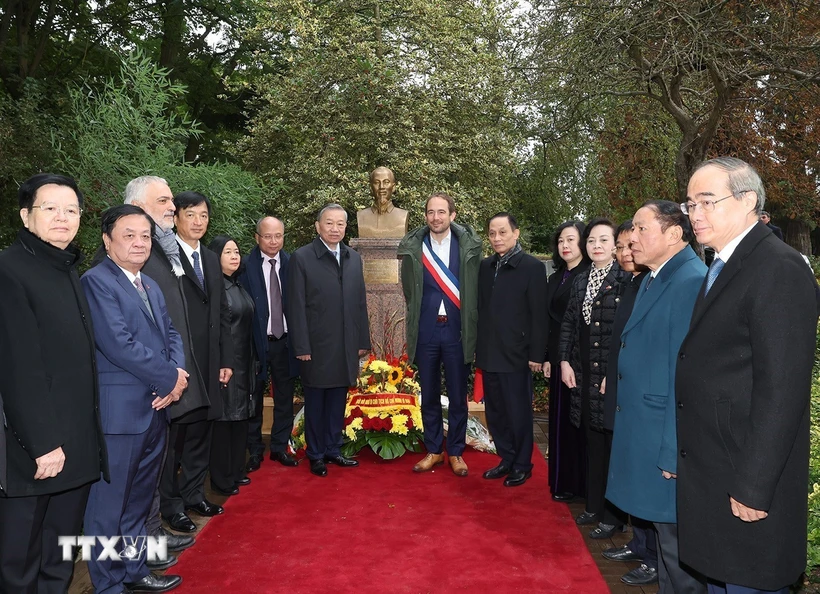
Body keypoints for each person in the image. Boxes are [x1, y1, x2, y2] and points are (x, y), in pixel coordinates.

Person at [676, 157, 819, 594]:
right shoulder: (724, 263)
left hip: (747, 477)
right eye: (689, 204)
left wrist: (755, 486)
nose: (695, 214)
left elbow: (784, 389)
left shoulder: (779, 267)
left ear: (748, 202)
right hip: (717, 468)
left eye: (706, 201)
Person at [0, 174, 106, 594]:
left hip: (75, 447)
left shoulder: (65, 267)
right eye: (50, 208)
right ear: (26, 217)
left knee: (60, 553)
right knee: (20, 564)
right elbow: (17, 367)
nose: (62, 218)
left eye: (71, 209)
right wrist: (42, 442)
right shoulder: (9, 270)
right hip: (35, 454)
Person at [81, 204, 186, 594]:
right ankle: (108, 585)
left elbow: (172, 335)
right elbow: (118, 345)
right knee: (108, 509)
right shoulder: (97, 282)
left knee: (139, 502)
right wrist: (170, 378)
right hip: (120, 417)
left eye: (145, 235)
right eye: (129, 235)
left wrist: (175, 377)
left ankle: (135, 570)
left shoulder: (149, 283)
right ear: (107, 241)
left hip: (156, 410)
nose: (139, 242)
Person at [606, 200, 707, 594]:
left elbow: (685, 378)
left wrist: (673, 450)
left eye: (642, 229)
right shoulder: (654, 277)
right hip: (646, 430)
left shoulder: (688, 281)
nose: (632, 238)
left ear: (674, 234)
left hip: (665, 439)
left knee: (678, 556)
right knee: (667, 554)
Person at [123, 176, 197, 553]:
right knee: (134, 480)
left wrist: (176, 372)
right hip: (140, 390)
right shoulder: (128, 260)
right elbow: (127, 338)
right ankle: (142, 547)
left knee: (152, 472)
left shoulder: (163, 250)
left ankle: (153, 533)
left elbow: (170, 324)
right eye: (164, 201)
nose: (173, 207)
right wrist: (167, 376)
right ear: (137, 206)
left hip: (165, 382)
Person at [159, 191, 233, 530]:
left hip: (209, 361)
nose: (198, 222)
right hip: (179, 364)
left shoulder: (211, 258)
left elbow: (221, 313)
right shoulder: (161, 257)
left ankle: (193, 494)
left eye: (203, 215)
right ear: (176, 218)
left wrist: (224, 359)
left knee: (201, 433)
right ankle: (170, 505)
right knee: (174, 440)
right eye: (191, 215)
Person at [397, 192, 482, 476]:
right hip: (428, 330)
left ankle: (455, 452)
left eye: (442, 212)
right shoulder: (415, 246)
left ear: (452, 215)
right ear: (426, 216)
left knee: (458, 396)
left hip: (458, 330)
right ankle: (433, 450)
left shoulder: (468, 245)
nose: (436, 217)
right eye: (431, 212)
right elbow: (409, 290)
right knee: (429, 395)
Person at [287, 204, 371, 477]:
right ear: (318, 226)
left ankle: (334, 450)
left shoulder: (353, 258)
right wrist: (301, 346)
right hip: (316, 346)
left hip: (346, 344)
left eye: (340, 224)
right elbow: (295, 306)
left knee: (338, 400)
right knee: (316, 403)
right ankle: (316, 454)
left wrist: (362, 340)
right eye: (329, 223)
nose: (335, 229)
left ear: (347, 227)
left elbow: (360, 303)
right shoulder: (302, 258)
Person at [559, 218, 628, 538]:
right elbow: (569, 324)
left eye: (604, 240)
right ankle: (593, 506)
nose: (596, 245)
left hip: (608, 373)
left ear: (615, 244)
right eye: (591, 241)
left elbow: (627, 332)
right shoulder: (581, 279)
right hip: (582, 370)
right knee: (592, 439)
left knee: (611, 443)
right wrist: (563, 361)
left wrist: (615, 373)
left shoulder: (626, 279)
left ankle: (612, 517)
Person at [600, 220, 658, 587]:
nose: (624, 253)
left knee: (647, 473)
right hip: (624, 385)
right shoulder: (635, 283)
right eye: (620, 247)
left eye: (628, 245)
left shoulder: (653, 283)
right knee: (632, 467)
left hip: (645, 395)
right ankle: (638, 543)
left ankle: (653, 556)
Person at [476, 213, 547, 487]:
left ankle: (522, 464)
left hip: (517, 354)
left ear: (516, 233)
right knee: (496, 412)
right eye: (492, 233)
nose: (497, 238)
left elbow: (539, 315)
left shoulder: (531, 267)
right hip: (490, 353)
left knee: (518, 412)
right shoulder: (485, 267)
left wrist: (536, 355)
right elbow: (482, 310)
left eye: (502, 232)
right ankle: (506, 458)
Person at [238, 216, 299, 472]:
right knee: (254, 398)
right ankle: (254, 451)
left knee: (285, 397)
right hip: (255, 343)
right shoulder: (243, 266)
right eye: (267, 236)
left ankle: (279, 446)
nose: (273, 241)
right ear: (257, 237)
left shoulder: (293, 264)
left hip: (285, 342)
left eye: (278, 236)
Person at [543, 221, 589, 501]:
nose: (565, 246)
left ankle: (578, 484)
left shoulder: (587, 275)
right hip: (559, 357)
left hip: (578, 360)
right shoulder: (556, 277)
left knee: (576, 423)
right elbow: (551, 322)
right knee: (560, 420)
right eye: (561, 240)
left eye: (571, 240)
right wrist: (549, 357)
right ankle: (562, 481)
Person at [208, 236, 257, 495]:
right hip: (225, 364)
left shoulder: (238, 285)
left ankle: (237, 470)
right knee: (224, 421)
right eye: (228, 252)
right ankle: (221, 477)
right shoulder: (214, 288)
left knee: (240, 419)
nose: (234, 256)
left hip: (244, 361)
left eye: (237, 251)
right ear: (215, 257)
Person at [356, 166, 409, 237]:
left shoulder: (402, 216)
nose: (381, 187)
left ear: (393, 187)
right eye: (377, 182)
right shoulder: (361, 216)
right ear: (371, 188)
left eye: (386, 182)